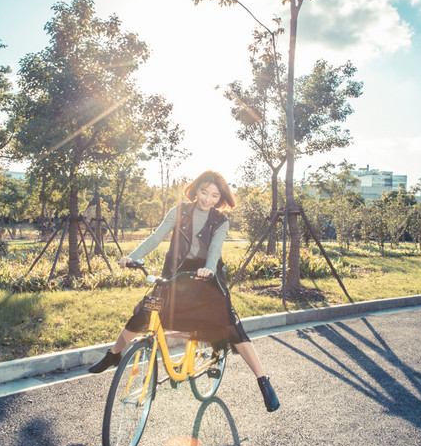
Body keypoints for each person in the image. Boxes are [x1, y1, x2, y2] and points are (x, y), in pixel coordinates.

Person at [88, 170, 279, 412]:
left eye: (214, 195)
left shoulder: (221, 221)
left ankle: (263, 381)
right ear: (195, 189)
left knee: (231, 325)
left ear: (220, 198)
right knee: (145, 311)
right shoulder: (179, 210)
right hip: (178, 271)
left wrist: (208, 269)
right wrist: (133, 257)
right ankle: (114, 354)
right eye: (203, 192)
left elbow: (215, 251)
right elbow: (156, 237)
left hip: (207, 276)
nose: (207, 199)